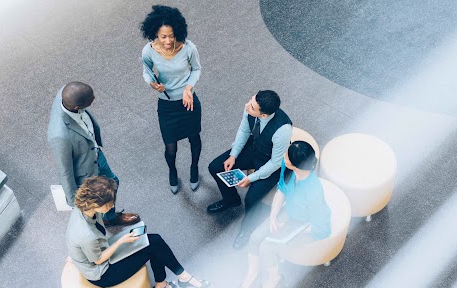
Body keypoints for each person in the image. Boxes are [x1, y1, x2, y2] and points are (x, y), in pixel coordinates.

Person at [66, 176, 209, 288]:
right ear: (96, 203)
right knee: (153, 246)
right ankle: (181, 279)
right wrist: (121, 241)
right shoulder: (86, 235)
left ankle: (170, 281)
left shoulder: (83, 209)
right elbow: (98, 260)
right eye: (109, 205)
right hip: (103, 274)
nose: (111, 208)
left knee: (154, 241)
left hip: (101, 252)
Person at [238, 141, 332, 288]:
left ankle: (275, 278)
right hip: (289, 213)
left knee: (266, 247)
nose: (283, 157)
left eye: (287, 156)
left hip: (306, 225)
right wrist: (274, 216)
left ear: (296, 165)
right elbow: (281, 190)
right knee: (255, 237)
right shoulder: (287, 168)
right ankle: (252, 273)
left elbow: (319, 225)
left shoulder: (313, 190)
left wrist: (288, 229)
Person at [207, 90, 292, 249]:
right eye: (250, 101)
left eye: (252, 107)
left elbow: (275, 163)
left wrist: (251, 179)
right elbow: (244, 131)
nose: (247, 106)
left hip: (270, 162)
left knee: (251, 199)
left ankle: (246, 230)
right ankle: (231, 199)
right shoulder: (250, 109)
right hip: (255, 149)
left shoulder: (283, 130)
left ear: (264, 115)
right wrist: (233, 155)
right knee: (215, 167)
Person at [48, 82, 139, 226]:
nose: (94, 98)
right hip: (86, 171)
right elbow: (64, 171)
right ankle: (105, 220)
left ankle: (108, 216)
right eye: (91, 99)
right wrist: (74, 203)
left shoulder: (66, 93)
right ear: (77, 107)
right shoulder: (59, 136)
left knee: (113, 183)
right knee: (99, 198)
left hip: (95, 153)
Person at [141, 5, 202, 194]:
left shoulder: (189, 48)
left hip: (188, 101)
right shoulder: (149, 51)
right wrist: (153, 84)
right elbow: (147, 72)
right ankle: (172, 171)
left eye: (171, 35)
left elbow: (196, 69)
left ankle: (194, 168)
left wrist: (188, 88)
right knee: (170, 147)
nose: (168, 41)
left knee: (194, 139)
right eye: (163, 36)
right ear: (155, 35)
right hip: (167, 105)